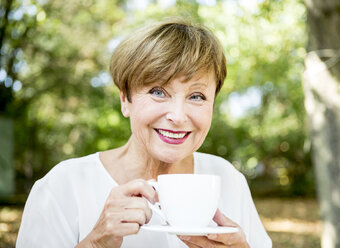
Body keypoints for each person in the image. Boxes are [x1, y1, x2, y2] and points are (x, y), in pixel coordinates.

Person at [16, 19, 272, 248]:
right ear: (125, 100)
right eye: (158, 92)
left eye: (197, 96)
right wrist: (95, 244)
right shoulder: (62, 186)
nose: (178, 116)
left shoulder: (227, 179)